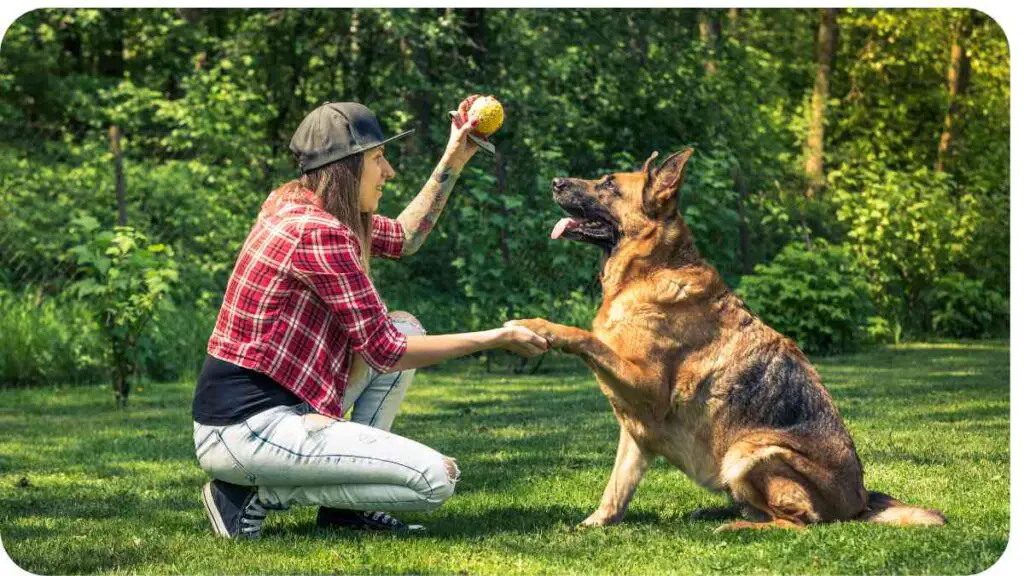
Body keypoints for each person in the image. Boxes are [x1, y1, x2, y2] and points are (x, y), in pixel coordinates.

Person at [192, 98, 548, 539]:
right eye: (378, 159)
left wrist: (457, 152)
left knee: (405, 325)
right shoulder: (318, 232)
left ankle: (344, 512)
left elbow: (404, 237)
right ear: (346, 166)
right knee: (435, 480)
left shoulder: (303, 205)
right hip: (246, 427)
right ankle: (249, 496)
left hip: (273, 410)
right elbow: (386, 351)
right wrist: (495, 337)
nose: (389, 171)